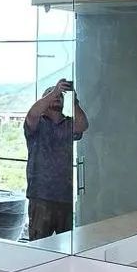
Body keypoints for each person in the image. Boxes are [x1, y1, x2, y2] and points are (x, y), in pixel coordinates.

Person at [23, 78, 87, 240]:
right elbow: (32, 114)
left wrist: (75, 101)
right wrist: (55, 92)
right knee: (39, 246)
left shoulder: (68, 124)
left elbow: (82, 125)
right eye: (52, 96)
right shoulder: (37, 125)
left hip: (64, 197)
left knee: (65, 246)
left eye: (60, 97)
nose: (57, 98)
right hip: (41, 196)